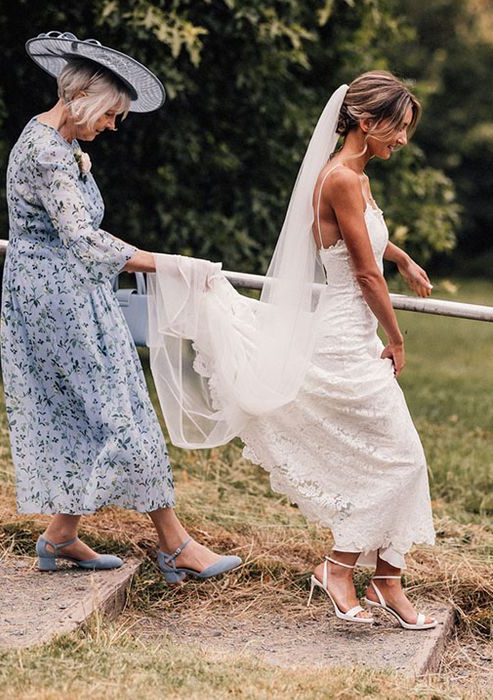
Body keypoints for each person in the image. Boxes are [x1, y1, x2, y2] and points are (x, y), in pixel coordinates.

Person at [147, 72, 437, 627]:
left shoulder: (354, 174)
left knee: (396, 458)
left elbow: (368, 241)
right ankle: (338, 567)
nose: (403, 140)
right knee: (401, 458)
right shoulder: (342, 179)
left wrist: (401, 257)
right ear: (367, 122)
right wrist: (397, 338)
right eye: (398, 129)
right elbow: (363, 274)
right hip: (347, 341)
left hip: (355, 334)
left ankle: (387, 581)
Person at [0, 31, 241, 584]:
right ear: (83, 97)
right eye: (112, 115)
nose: (112, 126)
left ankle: (60, 537)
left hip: (73, 293)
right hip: (57, 299)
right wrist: (172, 264)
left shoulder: (59, 145)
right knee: (118, 412)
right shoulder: (46, 152)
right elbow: (83, 240)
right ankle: (176, 543)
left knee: (96, 410)